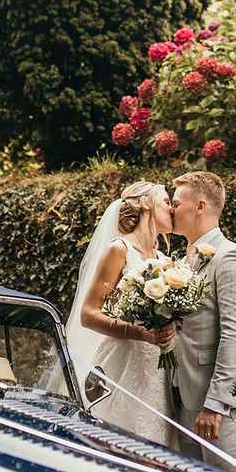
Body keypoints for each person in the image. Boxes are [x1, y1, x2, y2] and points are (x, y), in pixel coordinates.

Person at [66, 181, 176, 445]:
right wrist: (137, 332)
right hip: (124, 361)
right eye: (166, 201)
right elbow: (88, 313)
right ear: (146, 206)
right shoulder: (119, 250)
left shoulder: (164, 260)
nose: (172, 209)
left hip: (158, 369)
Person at [170, 171, 236, 472]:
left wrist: (216, 405)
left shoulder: (232, 258)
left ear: (200, 206)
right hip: (183, 398)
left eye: (176, 203)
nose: (170, 209)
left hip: (219, 406)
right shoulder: (180, 265)